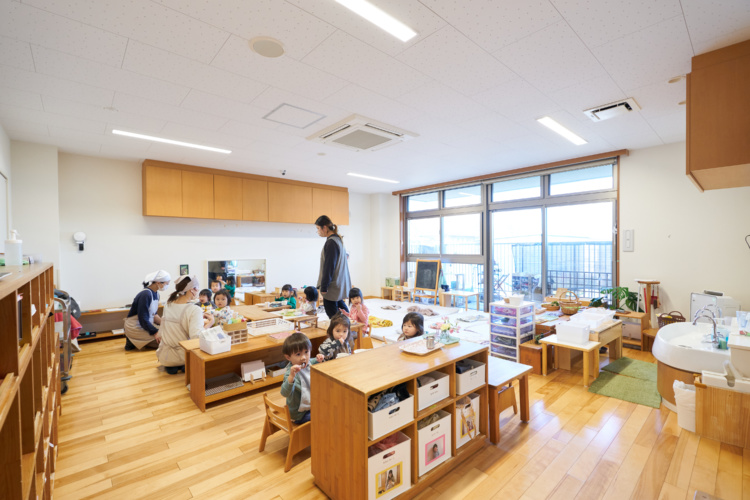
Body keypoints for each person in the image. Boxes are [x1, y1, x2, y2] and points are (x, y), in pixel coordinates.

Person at [156, 275, 215, 374]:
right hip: (184, 356)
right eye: (197, 288)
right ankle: (183, 364)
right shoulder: (194, 309)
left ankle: (174, 366)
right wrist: (210, 323)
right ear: (192, 290)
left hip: (165, 356)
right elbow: (196, 336)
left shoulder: (168, 305)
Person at [280, 332, 325, 424]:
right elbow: (284, 393)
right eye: (298, 354)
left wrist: (318, 360)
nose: (304, 358)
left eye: (306, 352)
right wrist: (291, 377)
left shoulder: (308, 363)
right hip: (299, 415)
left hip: (310, 406)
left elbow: (312, 361)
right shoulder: (290, 373)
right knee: (323, 415)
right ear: (288, 357)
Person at [124, 270, 171, 351]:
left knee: (170, 334)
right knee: (166, 342)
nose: (167, 285)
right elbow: (143, 318)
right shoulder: (145, 294)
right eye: (167, 283)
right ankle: (131, 340)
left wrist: (165, 324)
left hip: (146, 324)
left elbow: (154, 315)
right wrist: (155, 332)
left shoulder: (156, 294)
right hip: (136, 326)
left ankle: (136, 340)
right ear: (158, 283)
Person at [315, 215, 351, 319]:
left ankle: (344, 331)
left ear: (324, 227)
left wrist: (324, 286)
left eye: (318, 228)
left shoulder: (331, 242)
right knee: (342, 309)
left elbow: (329, 266)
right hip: (339, 282)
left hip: (333, 285)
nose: (318, 232)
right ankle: (349, 328)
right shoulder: (337, 240)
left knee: (333, 314)